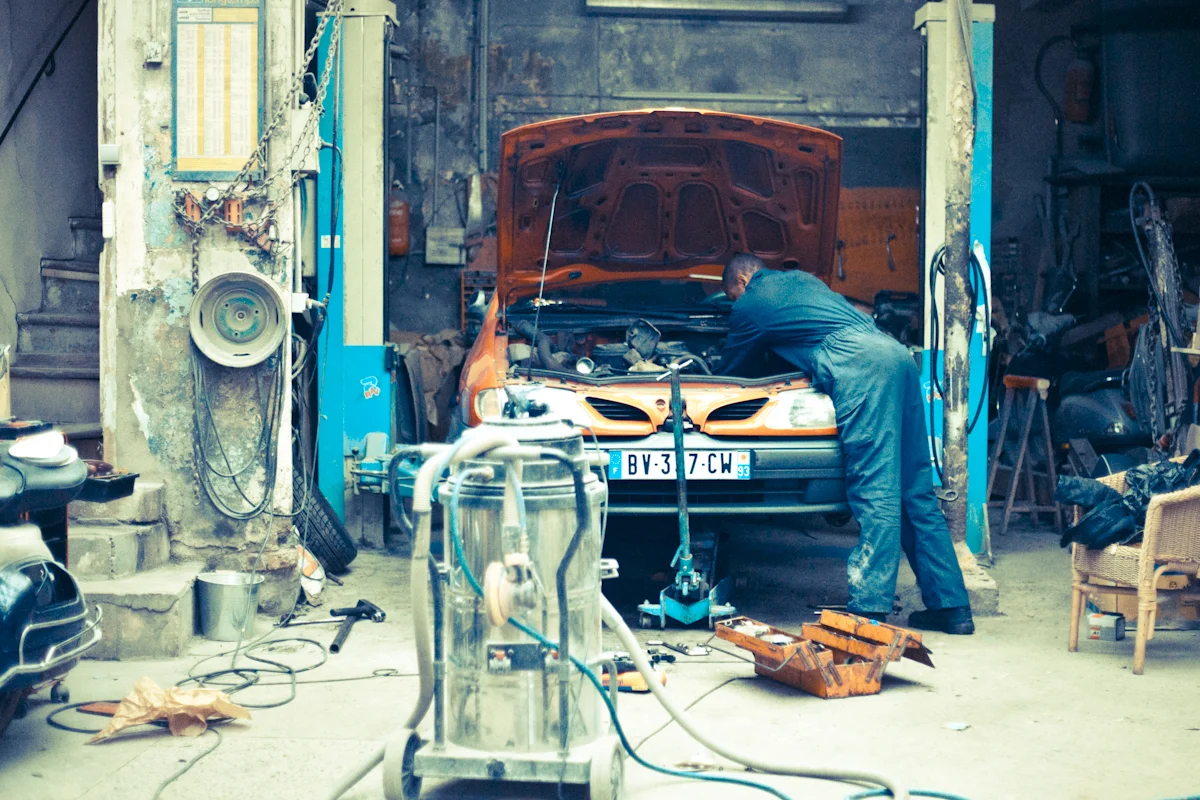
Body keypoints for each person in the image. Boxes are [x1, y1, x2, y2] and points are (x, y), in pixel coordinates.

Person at [720, 253, 974, 634]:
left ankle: (869, 609)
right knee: (915, 491)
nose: (735, 305)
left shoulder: (752, 302)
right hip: (894, 356)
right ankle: (952, 607)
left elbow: (732, 373)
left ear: (741, 281)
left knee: (875, 490)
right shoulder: (803, 280)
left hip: (861, 367)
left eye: (732, 297)